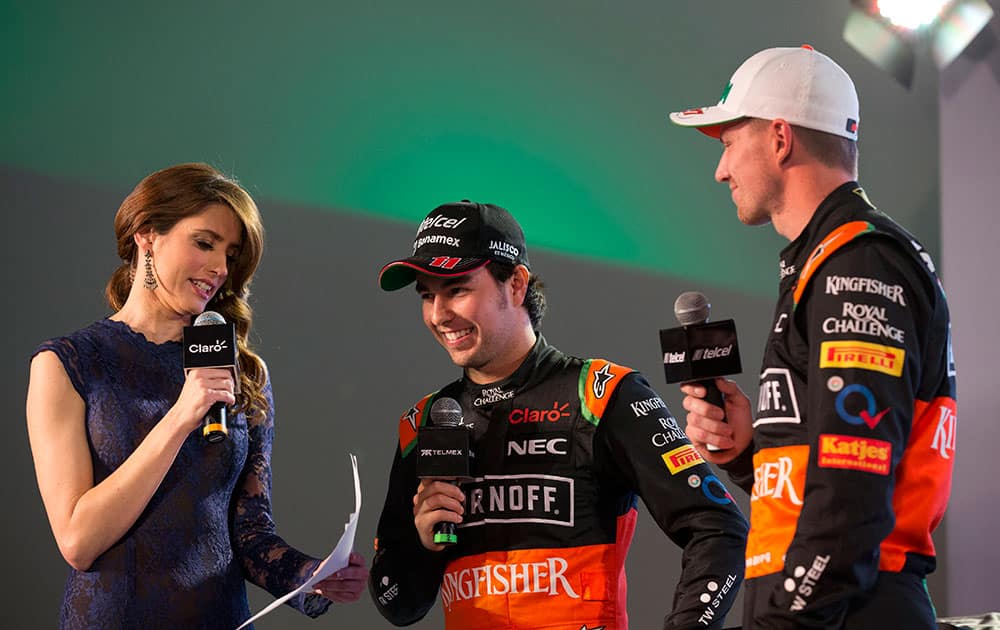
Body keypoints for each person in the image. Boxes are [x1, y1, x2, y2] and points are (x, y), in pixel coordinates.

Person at [669, 46, 956, 628]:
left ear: (780, 138)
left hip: (851, 609)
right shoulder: (830, 261)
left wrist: (784, 621)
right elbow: (828, 477)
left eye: (727, 143)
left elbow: (853, 489)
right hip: (837, 604)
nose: (720, 171)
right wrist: (752, 451)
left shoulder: (859, 263)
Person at [368, 200, 748, 630]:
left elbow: (718, 527)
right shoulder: (424, 424)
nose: (439, 315)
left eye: (457, 290)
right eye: (427, 295)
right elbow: (396, 602)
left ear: (515, 283)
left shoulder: (601, 394)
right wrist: (423, 544)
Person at [25, 163, 368, 628]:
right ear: (148, 235)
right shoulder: (69, 365)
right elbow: (78, 541)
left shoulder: (243, 371)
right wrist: (182, 415)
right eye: (204, 243)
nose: (220, 268)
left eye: (230, 254)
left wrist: (312, 576)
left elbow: (249, 531)